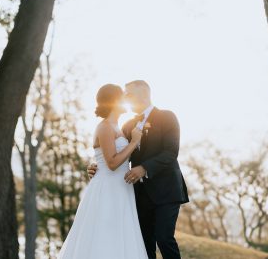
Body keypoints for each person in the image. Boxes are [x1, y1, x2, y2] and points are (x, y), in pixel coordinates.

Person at [88, 80, 189, 259]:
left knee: (164, 238)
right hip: (138, 194)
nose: (125, 98)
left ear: (143, 94)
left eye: (129, 94)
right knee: (143, 243)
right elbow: (114, 152)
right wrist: (96, 164)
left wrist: (144, 168)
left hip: (166, 190)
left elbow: (171, 152)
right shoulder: (126, 126)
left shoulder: (167, 117)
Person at [58, 83, 148, 259]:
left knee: (120, 235)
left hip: (121, 188)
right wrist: (133, 143)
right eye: (123, 96)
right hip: (108, 188)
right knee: (105, 235)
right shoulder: (105, 126)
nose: (126, 100)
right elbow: (112, 163)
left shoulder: (118, 128)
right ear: (115, 101)